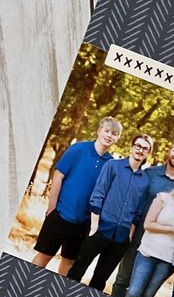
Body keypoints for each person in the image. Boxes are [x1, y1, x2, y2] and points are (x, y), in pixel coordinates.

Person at [32, 117, 123, 275]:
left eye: (114, 133)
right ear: (98, 131)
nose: (109, 135)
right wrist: (52, 208)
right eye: (107, 131)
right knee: (43, 257)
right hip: (59, 215)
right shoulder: (78, 149)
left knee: (68, 263)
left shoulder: (111, 164)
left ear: (117, 138)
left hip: (83, 224)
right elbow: (58, 176)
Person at [67, 134, 153, 291]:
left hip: (120, 238)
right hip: (99, 229)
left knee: (100, 280)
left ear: (148, 153)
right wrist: (94, 226)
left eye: (145, 148)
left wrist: (129, 235)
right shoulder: (113, 166)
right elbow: (97, 195)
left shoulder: (145, 180)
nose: (140, 150)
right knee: (77, 270)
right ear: (132, 147)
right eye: (138, 146)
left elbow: (138, 212)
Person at [111, 138, 174, 297]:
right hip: (137, 236)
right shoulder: (150, 173)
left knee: (141, 292)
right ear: (170, 151)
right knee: (122, 279)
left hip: (161, 245)